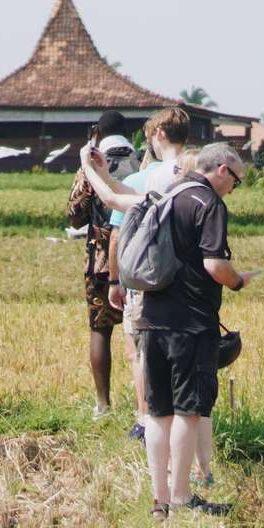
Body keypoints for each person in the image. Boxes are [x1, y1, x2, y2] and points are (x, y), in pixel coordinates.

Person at [138, 144, 253, 519]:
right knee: (188, 411)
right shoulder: (209, 204)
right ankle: (183, 496)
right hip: (190, 323)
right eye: (236, 180)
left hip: (152, 316)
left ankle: (159, 501)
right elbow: (215, 265)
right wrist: (238, 281)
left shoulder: (168, 193)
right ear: (222, 170)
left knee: (157, 413)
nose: (234, 188)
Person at [82, 106, 192, 453]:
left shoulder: (147, 179)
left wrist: (116, 281)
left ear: (158, 135)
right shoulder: (192, 173)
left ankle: (146, 417)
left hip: (145, 278)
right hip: (185, 281)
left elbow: (115, 222)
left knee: (140, 352)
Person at [66, 113, 136, 419]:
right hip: (138, 258)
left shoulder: (92, 163)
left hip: (101, 262)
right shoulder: (143, 163)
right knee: (142, 334)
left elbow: (75, 215)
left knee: (100, 330)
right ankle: (144, 405)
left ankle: (103, 405)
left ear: (96, 133)